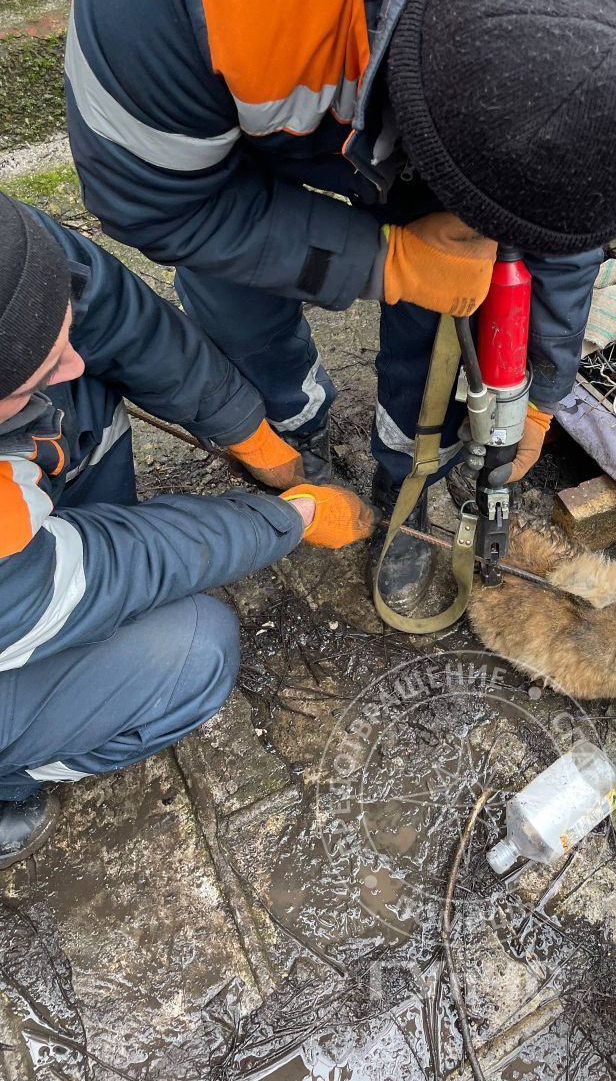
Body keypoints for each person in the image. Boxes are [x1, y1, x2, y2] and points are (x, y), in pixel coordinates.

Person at [66, 0, 616, 614]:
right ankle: (289, 427)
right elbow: (164, 204)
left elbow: (560, 207)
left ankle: (405, 483)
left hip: (386, 23)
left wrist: (540, 389)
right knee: (241, 266)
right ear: (393, 91)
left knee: (457, 266)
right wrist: (388, 260)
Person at [0, 193, 375, 867]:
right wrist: (293, 518)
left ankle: (79, 618)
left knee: (80, 390)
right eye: (39, 363)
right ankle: (11, 778)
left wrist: (250, 437)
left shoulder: (13, 254)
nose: (72, 361)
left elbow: (115, 318)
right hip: (12, 595)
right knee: (196, 649)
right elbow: (114, 566)